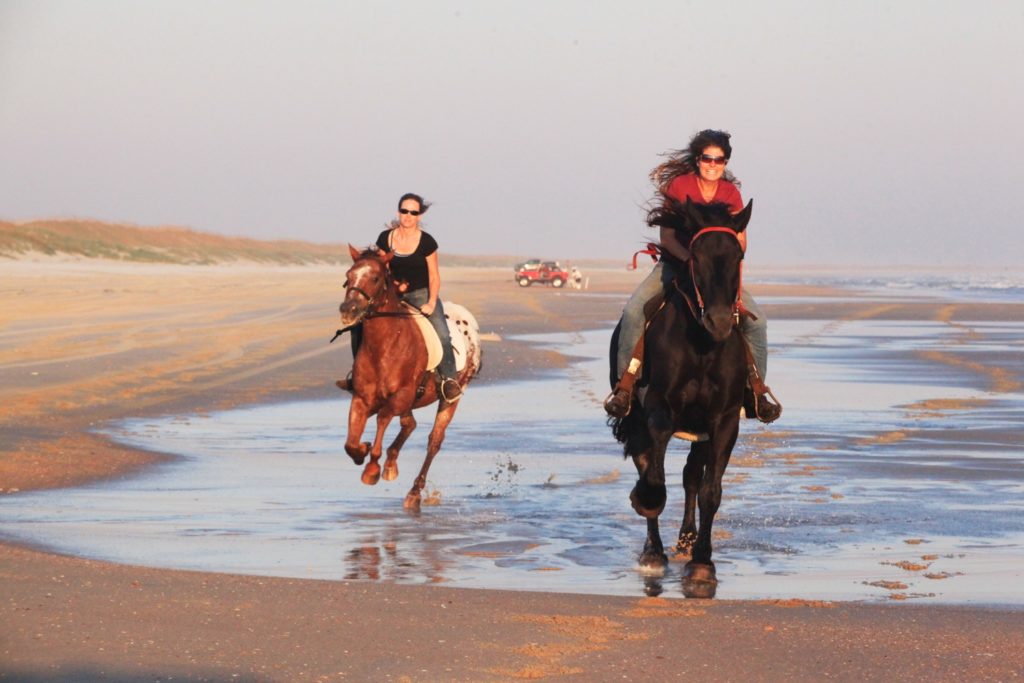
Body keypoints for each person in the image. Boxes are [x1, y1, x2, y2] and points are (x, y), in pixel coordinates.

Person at [603, 129, 780, 423]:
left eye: (719, 160)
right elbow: (668, 237)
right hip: (676, 264)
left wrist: (727, 269)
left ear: (726, 162)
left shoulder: (730, 193)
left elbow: (741, 242)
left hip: (718, 275)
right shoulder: (680, 186)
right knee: (634, 311)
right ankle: (626, 387)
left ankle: (755, 391)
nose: (712, 164)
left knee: (757, 321)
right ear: (697, 160)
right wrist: (692, 261)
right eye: (707, 158)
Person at [344, 193, 462, 403]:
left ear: (419, 215)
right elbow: (381, 271)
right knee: (358, 326)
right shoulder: (385, 238)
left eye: (413, 212)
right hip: (393, 295)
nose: (408, 216)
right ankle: (358, 377)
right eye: (404, 211)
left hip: (421, 294)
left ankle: (449, 381)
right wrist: (393, 288)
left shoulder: (427, 242)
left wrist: (431, 302)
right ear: (398, 212)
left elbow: (434, 276)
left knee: (442, 334)